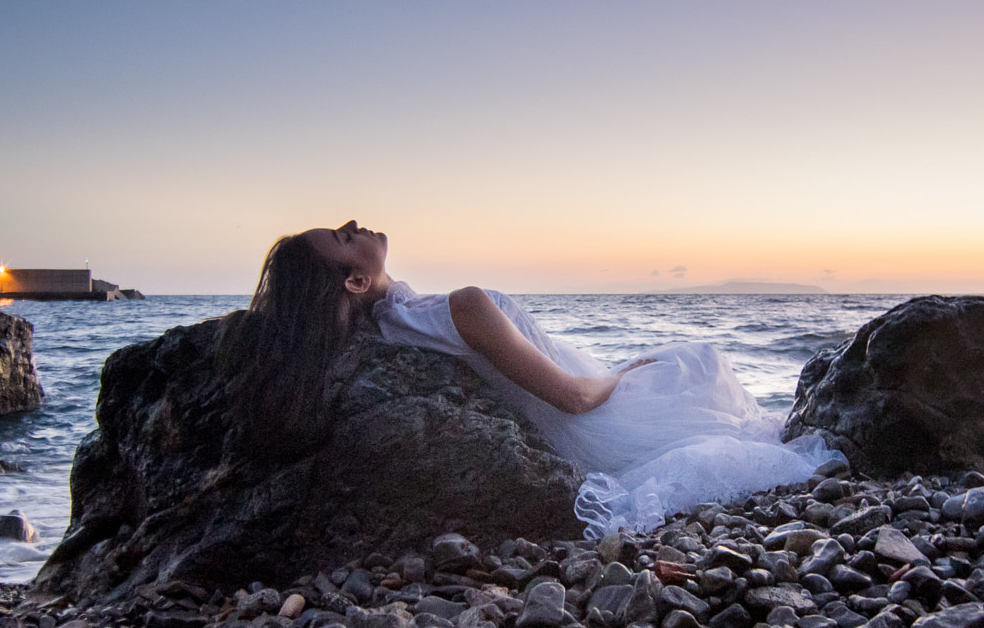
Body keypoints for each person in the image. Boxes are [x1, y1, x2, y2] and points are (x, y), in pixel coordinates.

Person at [245, 220, 840, 535]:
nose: (353, 221)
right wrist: (624, 371)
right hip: (596, 420)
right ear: (353, 282)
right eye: (345, 238)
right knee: (699, 362)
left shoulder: (389, 328)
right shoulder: (458, 306)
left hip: (562, 421)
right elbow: (575, 397)